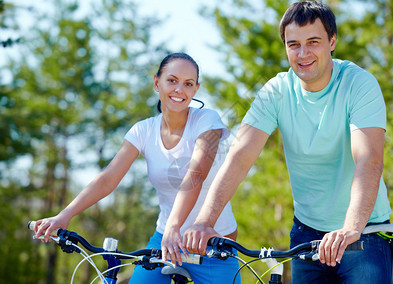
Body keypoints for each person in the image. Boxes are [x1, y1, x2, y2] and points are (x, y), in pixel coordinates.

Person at [183, 0, 393, 283]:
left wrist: (350, 228)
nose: (303, 53)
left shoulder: (359, 84)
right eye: (293, 44)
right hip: (307, 233)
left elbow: (368, 159)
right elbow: (239, 157)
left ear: (332, 41)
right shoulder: (277, 91)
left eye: (313, 42)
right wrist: (204, 222)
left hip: (364, 232)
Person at [33, 52, 240, 284]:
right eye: (172, 80)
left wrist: (175, 225)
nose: (179, 89)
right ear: (156, 83)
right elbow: (108, 178)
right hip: (166, 241)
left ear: (196, 89)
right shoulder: (143, 131)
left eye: (188, 84)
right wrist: (65, 215)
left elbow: (196, 174)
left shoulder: (207, 121)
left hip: (212, 243)